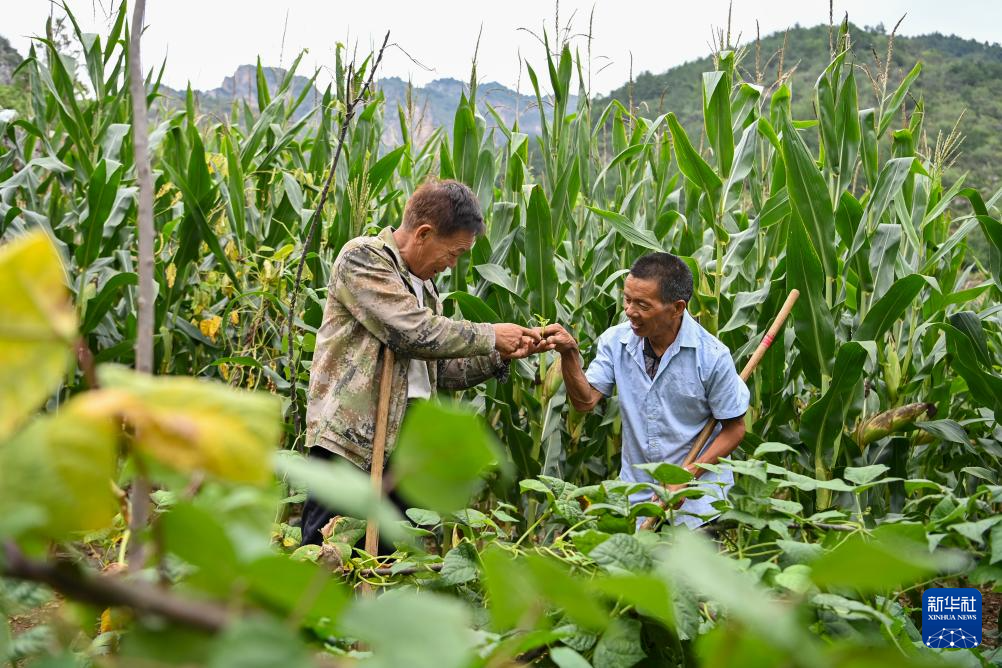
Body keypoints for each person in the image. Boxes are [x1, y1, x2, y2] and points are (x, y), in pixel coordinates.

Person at [301, 179, 544, 546]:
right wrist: (490, 335)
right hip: (353, 443)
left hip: (404, 449)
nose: (451, 265)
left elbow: (438, 370)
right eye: (453, 253)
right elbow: (414, 332)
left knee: (388, 558)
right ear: (424, 234)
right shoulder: (363, 258)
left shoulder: (425, 287)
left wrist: (499, 354)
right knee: (330, 551)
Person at [541, 253, 749, 528]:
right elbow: (585, 401)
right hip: (636, 500)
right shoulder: (616, 342)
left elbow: (735, 428)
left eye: (642, 304)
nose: (630, 311)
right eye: (627, 300)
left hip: (696, 505)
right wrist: (569, 353)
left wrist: (687, 476)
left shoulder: (711, 356)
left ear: (677, 308)